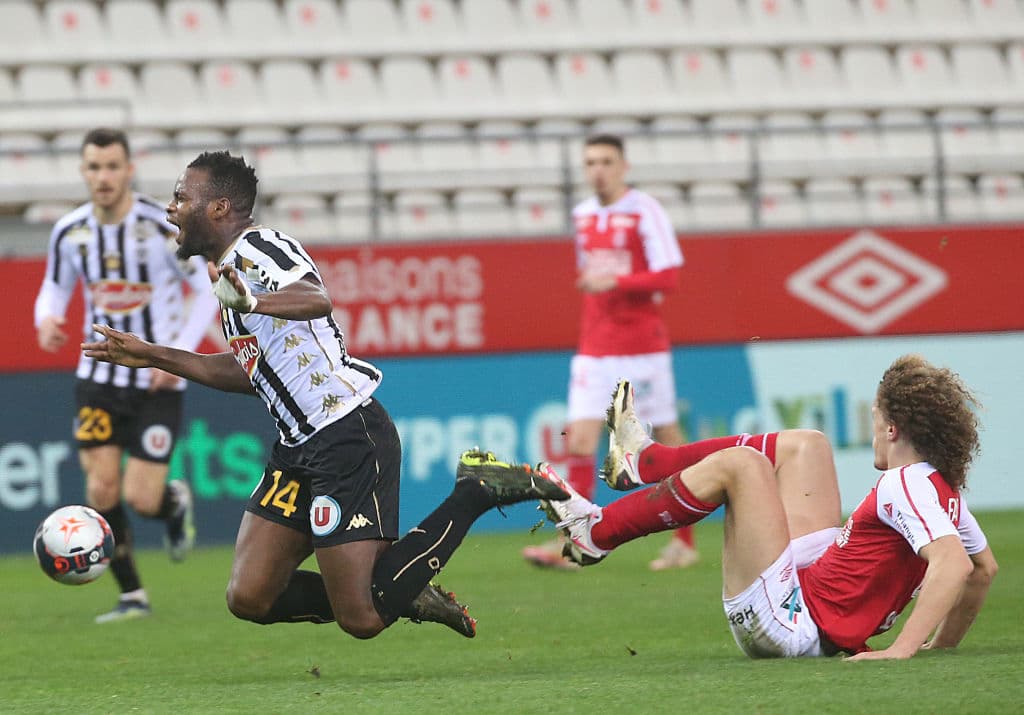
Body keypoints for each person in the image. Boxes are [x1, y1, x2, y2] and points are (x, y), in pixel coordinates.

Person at [82, 150, 569, 640]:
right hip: (296, 448)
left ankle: (475, 492)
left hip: (346, 435)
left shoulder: (259, 249)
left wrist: (252, 300)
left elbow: (316, 297)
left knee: (362, 618)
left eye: (181, 197)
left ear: (218, 208)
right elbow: (251, 371)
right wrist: (151, 355)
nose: (170, 208)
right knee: (250, 595)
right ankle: (400, 588)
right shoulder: (230, 271)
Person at [540, 357, 998, 658]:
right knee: (807, 446)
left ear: (893, 429)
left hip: (787, 623)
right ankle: (647, 460)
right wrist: (940, 650)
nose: (874, 430)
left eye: (875, 421)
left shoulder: (902, 482)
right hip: (806, 596)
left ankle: (594, 532)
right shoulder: (942, 493)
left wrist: (902, 650)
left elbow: (954, 565)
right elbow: (983, 570)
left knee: (744, 465)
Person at [35, 128, 218, 623]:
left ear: (129, 169)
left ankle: (172, 504)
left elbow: (204, 289)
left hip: (156, 378)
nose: (104, 176)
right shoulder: (71, 231)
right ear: (84, 172)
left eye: (112, 166)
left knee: (140, 497)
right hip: (97, 375)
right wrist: (46, 320)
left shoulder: (159, 227)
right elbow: (54, 288)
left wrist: (175, 354)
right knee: (101, 490)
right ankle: (132, 594)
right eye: (94, 167)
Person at [522, 133, 696, 572]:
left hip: (642, 348)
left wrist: (616, 282)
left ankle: (685, 541)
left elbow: (669, 276)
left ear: (623, 166)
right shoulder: (582, 215)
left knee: (664, 444)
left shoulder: (644, 210)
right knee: (580, 440)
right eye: (590, 162)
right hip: (595, 347)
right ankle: (576, 543)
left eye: (605, 161)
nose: (597, 170)